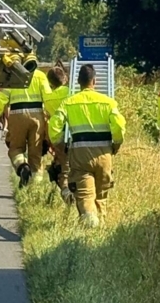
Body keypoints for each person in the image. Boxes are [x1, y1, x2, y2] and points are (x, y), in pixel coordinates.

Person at [48, 64, 126, 228]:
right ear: (95, 81)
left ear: (78, 82)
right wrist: (116, 144)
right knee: (102, 195)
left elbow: (54, 125)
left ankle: (91, 223)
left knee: (84, 195)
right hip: (104, 153)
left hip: (80, 154)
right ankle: (100, 229)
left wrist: (59, 144)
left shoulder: (69, 103)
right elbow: (119, 126)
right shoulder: (108, 102)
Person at [0, 54, 52, 187]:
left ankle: (22, 166)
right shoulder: (40, 76)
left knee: (15, 149)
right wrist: (50, 116)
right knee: (35, 154)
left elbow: (2, 97)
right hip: (37, 115)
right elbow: (48, 98)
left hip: (17, 114)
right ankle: (35, 188)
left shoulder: (13, 75)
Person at [43, 65, 72, 202]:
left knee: (63, 168)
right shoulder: (72, 92)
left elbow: (48, 117)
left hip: (58, 137)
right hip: (75, 134)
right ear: (65, 79)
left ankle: (66, 192)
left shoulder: (48, 99)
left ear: (50, 83)